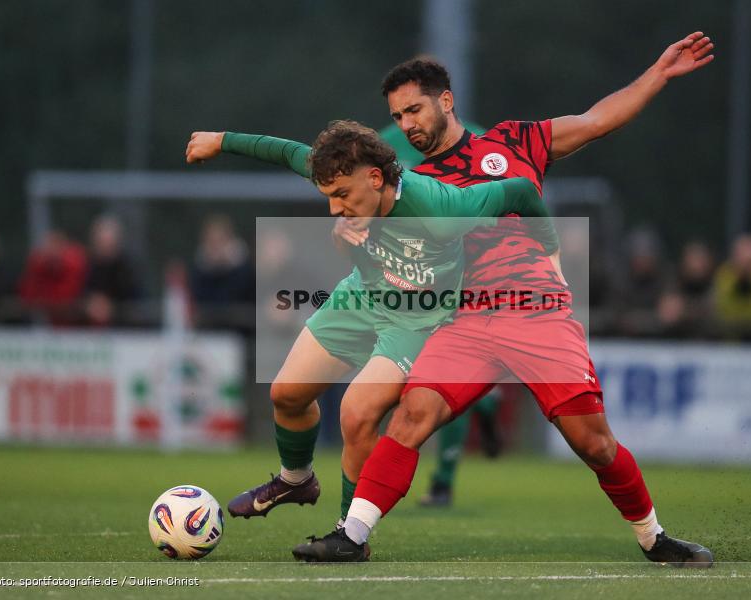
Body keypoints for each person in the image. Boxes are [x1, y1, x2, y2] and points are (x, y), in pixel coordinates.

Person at [284, 33, 715, 565]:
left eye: (415, 109)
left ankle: (654, 538)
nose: (409, 123)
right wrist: (350, 235)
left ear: (446, 100)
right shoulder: (411, 182)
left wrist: (657, 75)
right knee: (413, 413)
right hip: (465, 318)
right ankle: (352, 535)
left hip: (535, 310)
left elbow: (597, 120)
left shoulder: (515, 142)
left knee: (593, 442)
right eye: (399, 114)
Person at [186, 120, 557, 530]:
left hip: (417, 321)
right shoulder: (341, 169)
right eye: (328, 195)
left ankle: (349, 530)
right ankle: (296, 481)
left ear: (376, 178)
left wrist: (551, 255)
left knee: (356, 412)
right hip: (360, 296)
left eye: (341, 196)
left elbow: (521, 191)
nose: (334, 208)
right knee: (287, 394)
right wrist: (221, 140)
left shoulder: (441, 208)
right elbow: (284, 149)